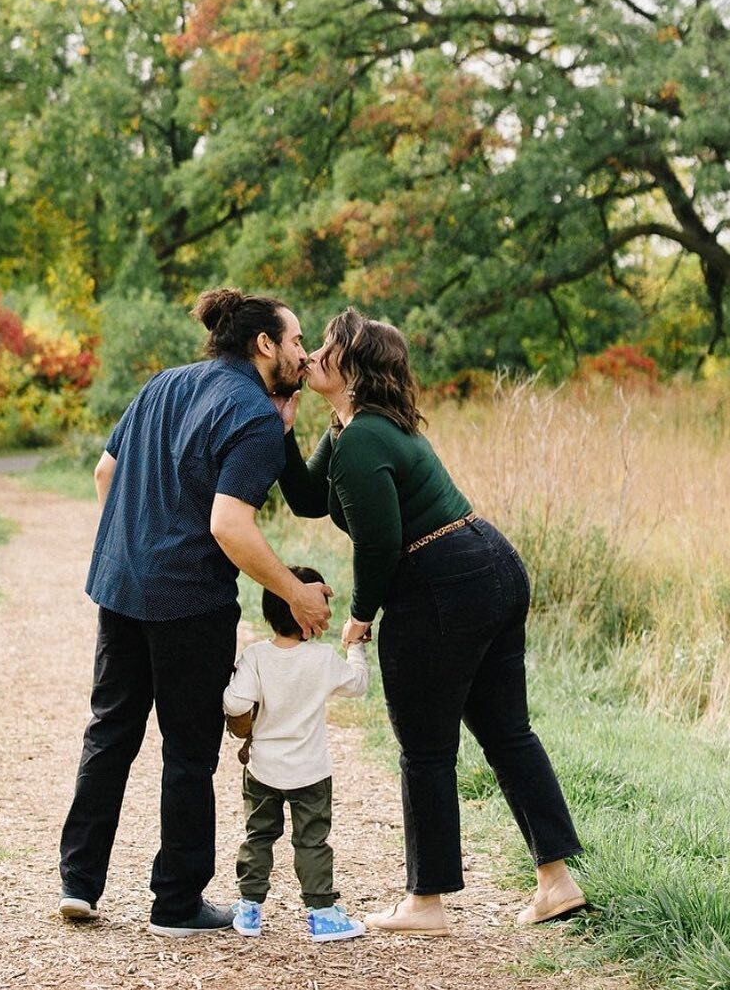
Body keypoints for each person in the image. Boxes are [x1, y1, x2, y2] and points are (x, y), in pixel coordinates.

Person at [276, 307, 586, 937]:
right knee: (507, 732)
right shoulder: (354, 431)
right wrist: (284, 428)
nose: (311, 354)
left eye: (326, 345)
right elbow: (310, 500)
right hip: (490, 565)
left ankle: (427, 903)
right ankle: (557, 881)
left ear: (353, 367)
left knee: (424, 747)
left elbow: (379, 545)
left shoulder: (363, 436)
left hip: (444, 583)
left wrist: (360, 618)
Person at [58, 288, 334, 938]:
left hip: (121, 587)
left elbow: (105, 472)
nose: (303, 351)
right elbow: (229, 525)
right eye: (296, 340)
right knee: (187, 752)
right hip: (188, 601)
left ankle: (78, 880)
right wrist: (294, 592)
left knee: (110, 732)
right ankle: (175, 903)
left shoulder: (164, 384)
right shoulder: (251, 414)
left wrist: (131, 545)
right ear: (263, 343)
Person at [223, 565, 369, 943]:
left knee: (258, 837)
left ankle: (249, 910)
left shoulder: (256, 656)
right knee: (312, 842)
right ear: (309, 617)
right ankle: (321, 914)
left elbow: (235, 701)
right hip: (311, 772)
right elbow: (358, 684)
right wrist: (356, 647)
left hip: (263, 770)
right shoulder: (322, 660)